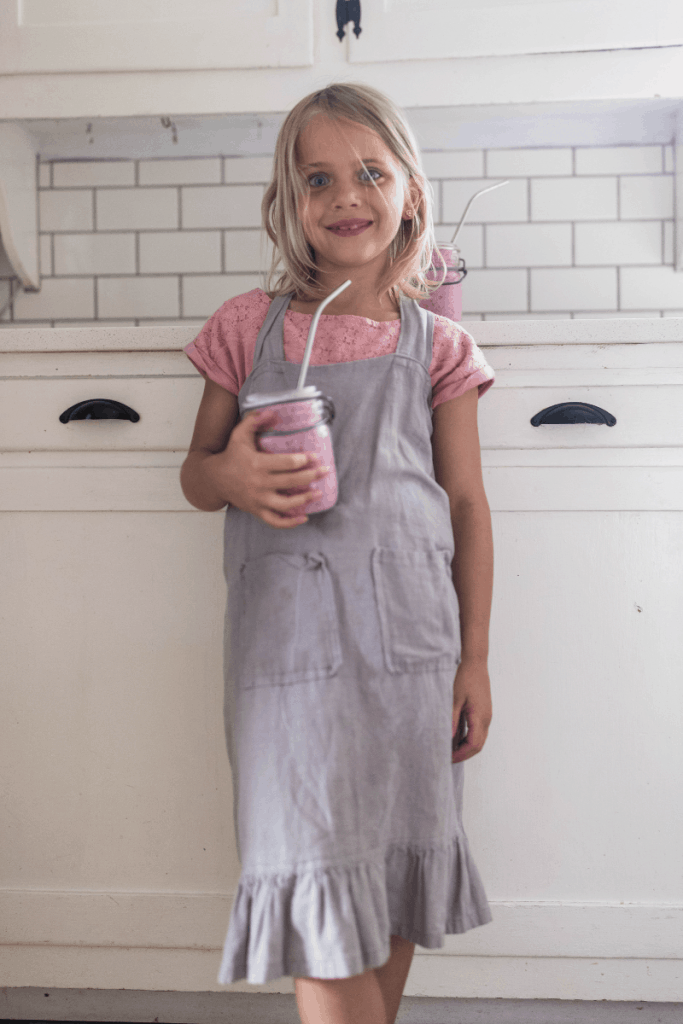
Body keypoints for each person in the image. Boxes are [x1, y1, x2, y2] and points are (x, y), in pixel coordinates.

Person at [180, 82, 495, 1024]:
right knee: (313, 885)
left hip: (409, 654)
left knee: (394, 881)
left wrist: (474, 657)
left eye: (368, 172)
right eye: (317, 178)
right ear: (289, 201)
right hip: (288, 665)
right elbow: (193, 474)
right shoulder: (249, 327)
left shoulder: (439, 345)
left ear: (410, 193)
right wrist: (228, 476)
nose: (344, 195)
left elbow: (469, 505)